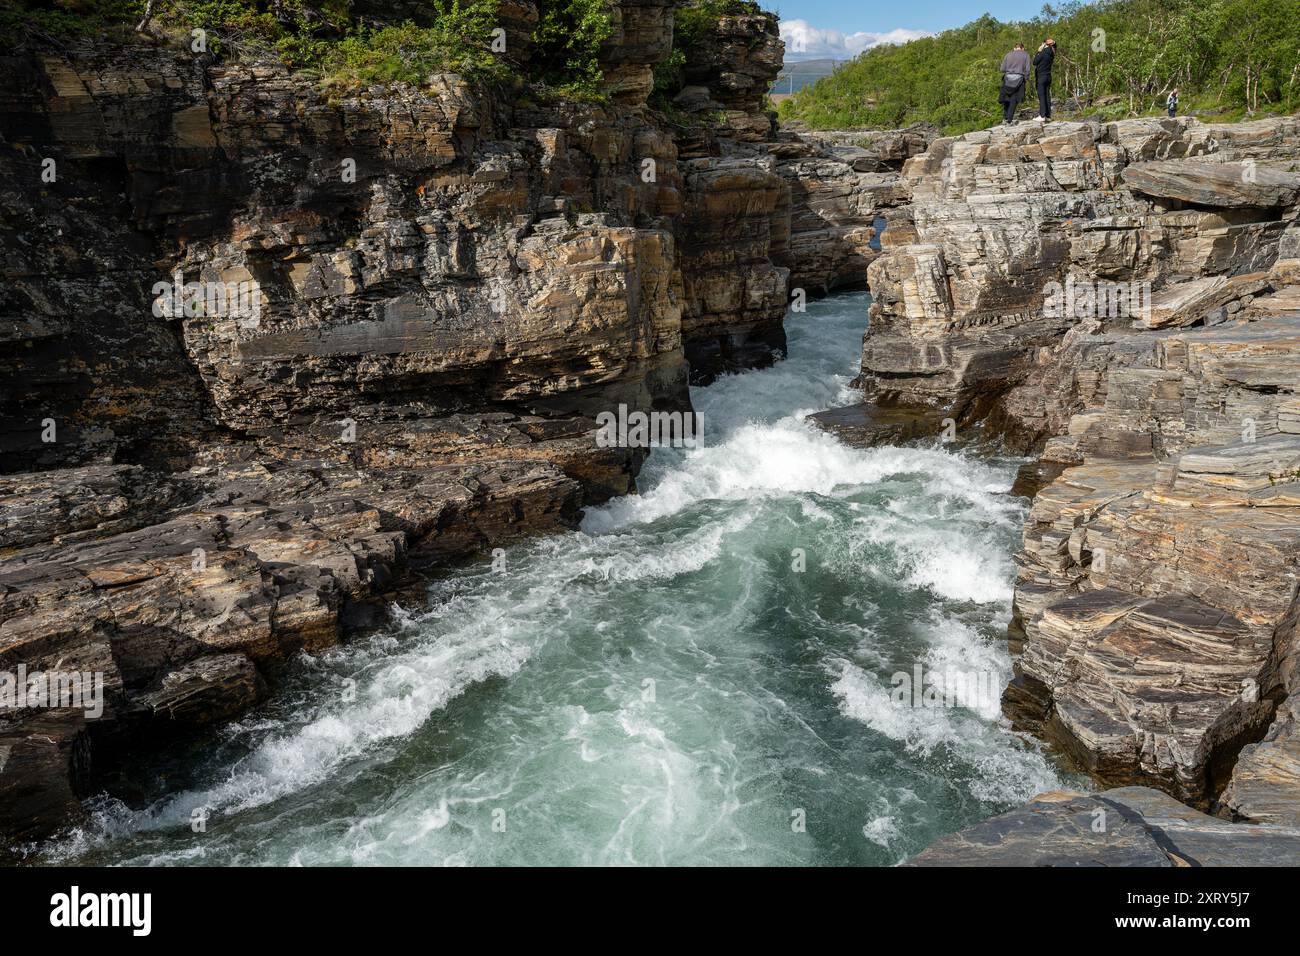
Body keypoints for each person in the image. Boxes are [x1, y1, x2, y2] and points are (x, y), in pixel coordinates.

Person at [998, 43, 1032, 124]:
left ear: (1014, 48)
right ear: (1022, 48)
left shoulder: (1008, 54)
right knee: (1014, 100)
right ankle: (1009, 120)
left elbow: (1002, 69)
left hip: (1007, 79)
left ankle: (1005, 118)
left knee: (1006, 99)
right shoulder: (1026, 55)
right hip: (1019, 80)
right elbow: (1027, 69)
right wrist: (1026, 79)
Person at [1033, 38, 1056, 121]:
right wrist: (1053, 42)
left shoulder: (1042, 53)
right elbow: (1054, 45)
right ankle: (1048, 116)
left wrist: (1038, 51)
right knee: (1047, 96)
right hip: (1048, 76)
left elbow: (1034, 62)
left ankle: (1042, 115)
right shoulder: (1052, 52)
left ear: (1044, 44)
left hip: (1041, 76)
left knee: (1041, 95)